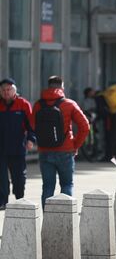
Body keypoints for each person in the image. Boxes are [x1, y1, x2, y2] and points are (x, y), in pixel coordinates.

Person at [31, 76, 90, 208]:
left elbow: (33, 126)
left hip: (45, 151)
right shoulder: (69, 104)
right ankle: (65, 218)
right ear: (61, 87)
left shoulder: (38, 105)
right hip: (65, 150)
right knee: (67, 185)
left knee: (47, 187)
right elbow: (85, 126)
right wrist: (75, 145)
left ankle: (48, 221)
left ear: (48, 86)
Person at [0, 78, 35, 210]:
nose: (6, 92)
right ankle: (2, 201)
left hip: (17, 148)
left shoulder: (23, 104)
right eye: (3, 90)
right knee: (1, 179)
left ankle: (19, 199)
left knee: (19, 178)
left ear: (14, 90)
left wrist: (31, 139)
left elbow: (31, 125)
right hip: (1, 149)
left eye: (8, 89)